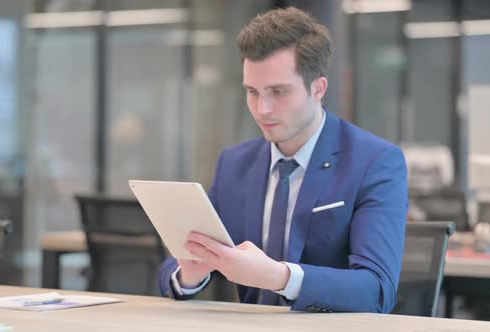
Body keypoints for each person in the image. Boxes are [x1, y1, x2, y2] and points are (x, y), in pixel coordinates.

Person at [159, 6, 408, 313]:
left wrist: (279, 277)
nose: (262, 109)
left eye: (278, 92)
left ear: (318, 89)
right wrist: (189, 274)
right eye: (253, 91)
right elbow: (173, 270)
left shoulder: (376, 162)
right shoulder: (236, 163)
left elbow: (377, 290)